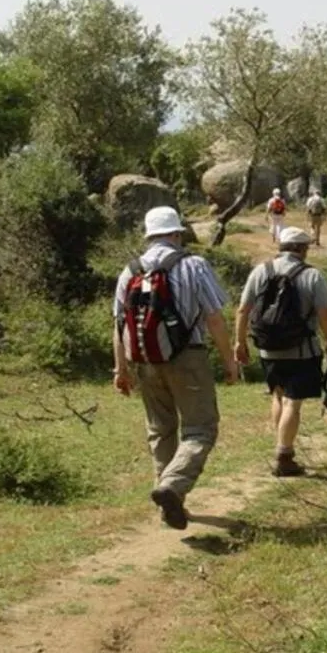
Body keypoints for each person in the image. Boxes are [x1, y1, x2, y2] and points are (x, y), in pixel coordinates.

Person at [113, 206, 239, 530]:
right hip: (188, 358)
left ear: (149, 234)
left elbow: (118, 325)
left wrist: (121, 370)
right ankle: (172, 487)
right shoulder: (193, 265)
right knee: (201, 429)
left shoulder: (130, 271)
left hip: (144, 361)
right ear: (177, 233)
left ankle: (169, 503)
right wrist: (230, 362)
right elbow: (214, 318)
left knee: (161, 430)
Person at [235, 227, 327, 477]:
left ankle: (283, 445)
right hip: (301, 350)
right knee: (293, 401)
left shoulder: (261, 270)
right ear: (303, 249)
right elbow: (326, 315)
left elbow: (243, 309)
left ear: (281, 247)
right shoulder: (312, 275)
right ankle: (284, 455)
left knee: (278, 396)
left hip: (268, 349)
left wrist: (239, 342)